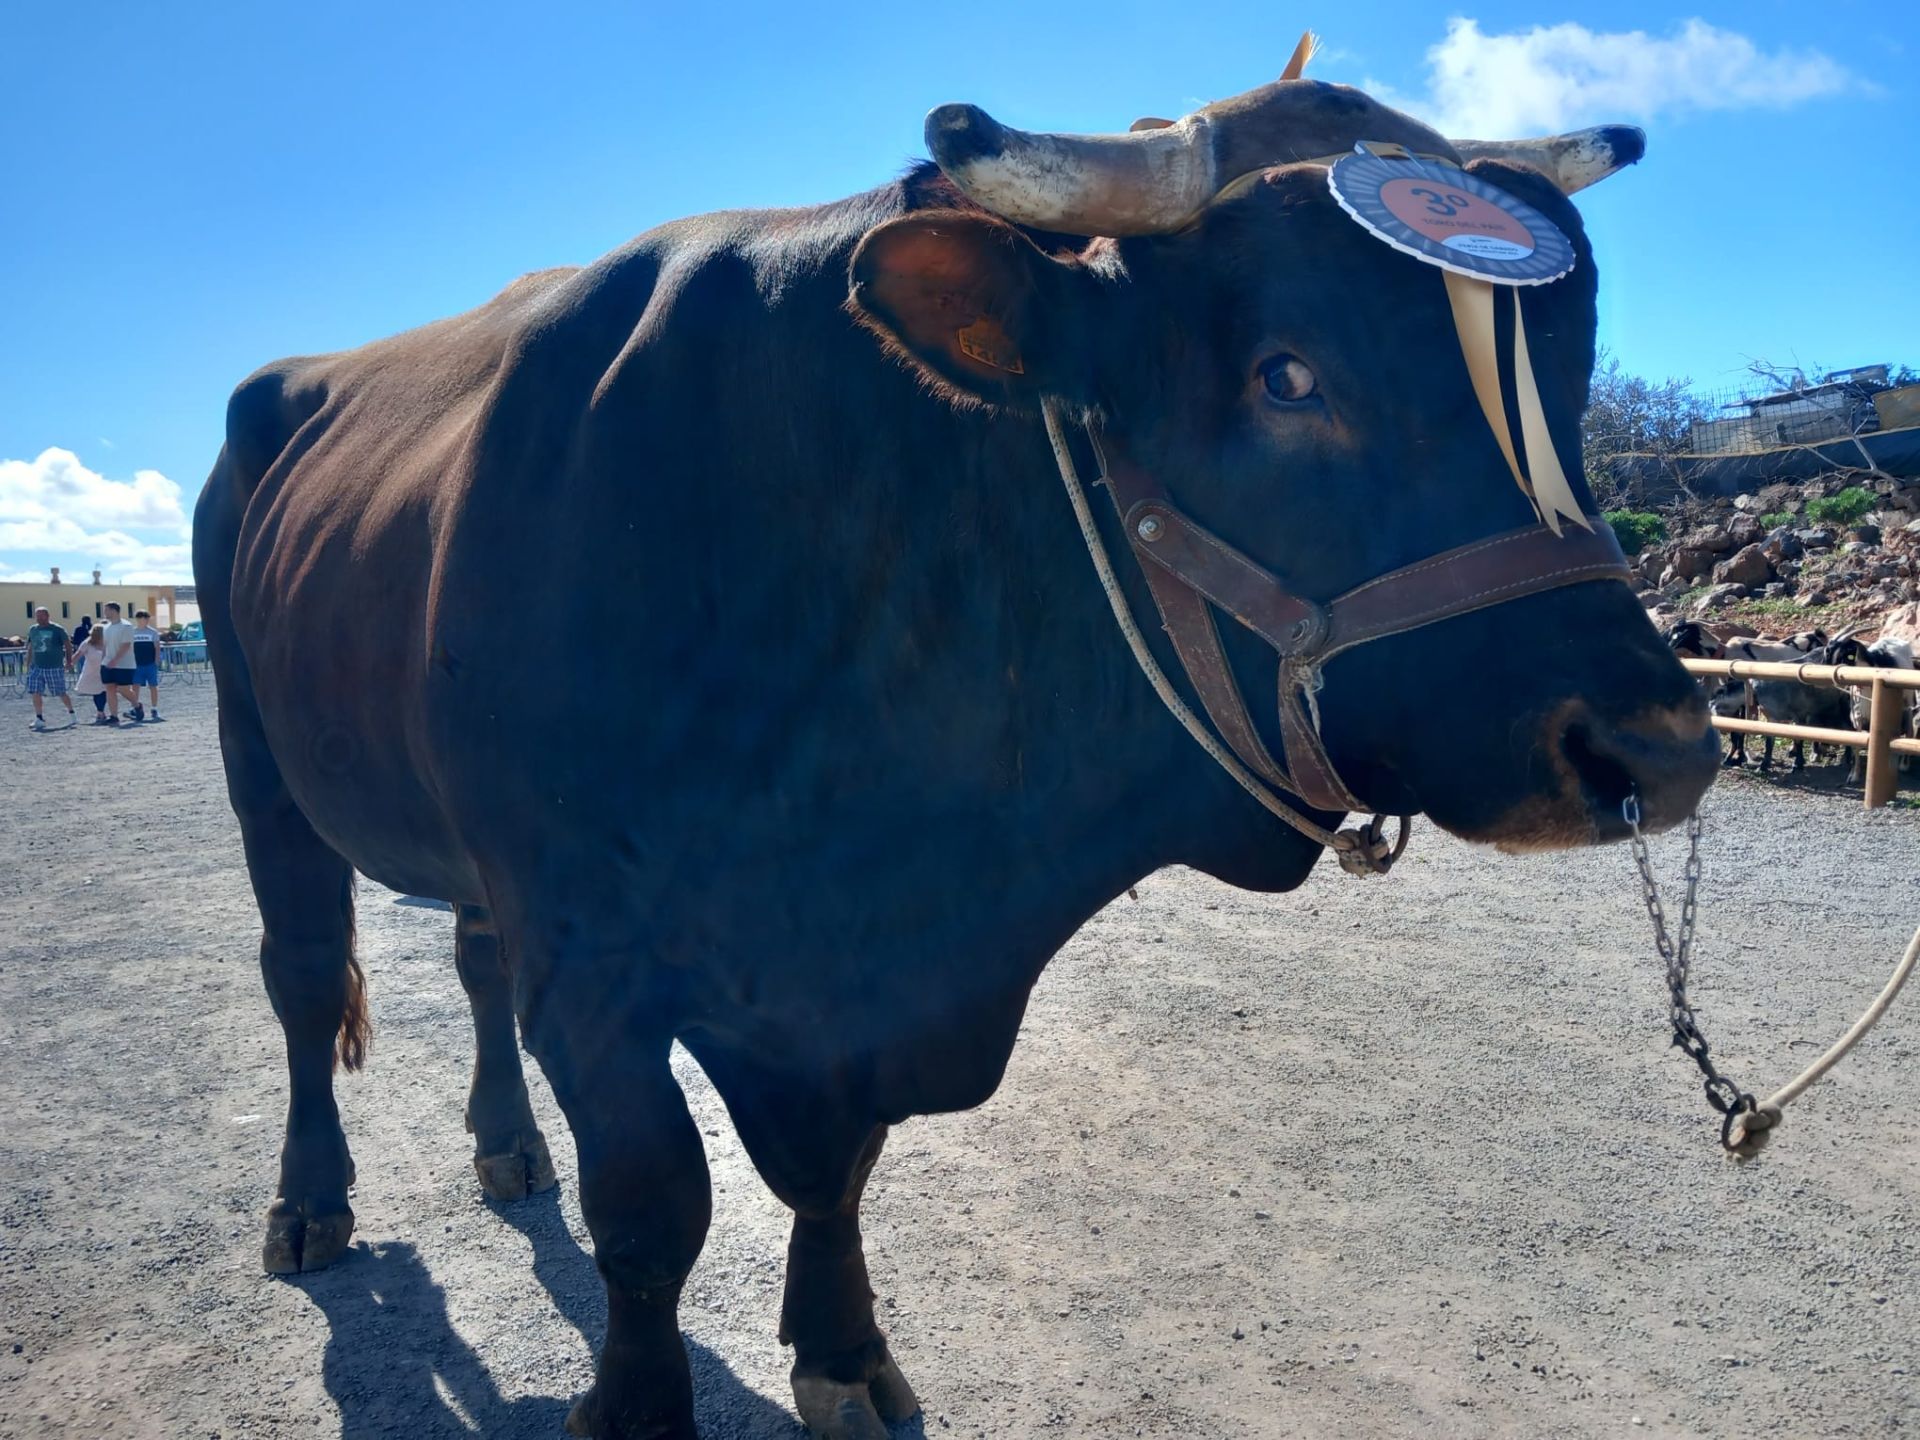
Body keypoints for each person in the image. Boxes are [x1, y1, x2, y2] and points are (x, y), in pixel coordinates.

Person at [24, 606, 76, 730]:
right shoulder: (33, 629)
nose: (39, 618)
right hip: (37, 666)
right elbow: (31, 646)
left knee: (60, 692)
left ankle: (71, 713)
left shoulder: (57, 629)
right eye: (37, 616)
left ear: (47, 616)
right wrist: (28, 660)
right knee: (35, 691)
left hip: (54, 666)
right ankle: (39, 717)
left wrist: (69, 661)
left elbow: (68, 646)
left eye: (41, 615)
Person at [98, 602, 136, 726]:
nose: (105, 613)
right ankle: (114, 716)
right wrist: (103, 661)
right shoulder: (106, 627)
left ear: (114, 611)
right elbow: (105, 645)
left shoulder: (126, 626)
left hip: (124, 664)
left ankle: (137, 705)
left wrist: (115, 660)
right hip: (107, 663)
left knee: (123, 689)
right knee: (110, 688)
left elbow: (126, 645)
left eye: (107, 610)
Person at [128, 610, 164, 723]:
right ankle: (135, 706)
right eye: (140, 618)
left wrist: (157, 660)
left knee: (153, 685)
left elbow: (157, 647)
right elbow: (130, 648)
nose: (143, 620)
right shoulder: (132, 632)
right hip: (136, 664)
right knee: (135, 686)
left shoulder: (153, 632)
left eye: (145, 618)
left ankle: (154, 708)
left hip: (150, 663)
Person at [73, 627, 109, 722]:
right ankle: (100, 711)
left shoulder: (108, 642)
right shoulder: (87, 643)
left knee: (103, 691)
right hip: (91, 671)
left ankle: (101, 711)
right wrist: (69, 664)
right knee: (96, 691)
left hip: (105, 670)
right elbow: (78, 654)